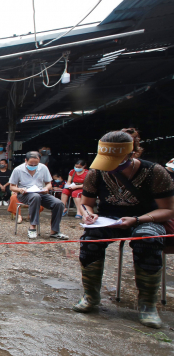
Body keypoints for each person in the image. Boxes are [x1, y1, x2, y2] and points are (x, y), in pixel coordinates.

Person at [75, 130, 174, 329]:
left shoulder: (155, 172)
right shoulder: (97, 173)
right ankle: (91, 296)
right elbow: (86, 203)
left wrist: (137, 219)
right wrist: (88, 213)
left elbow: (168, 209)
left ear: (130, 154)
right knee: (90, 238)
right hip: (109, 220)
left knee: (147, 240)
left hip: (147, 219)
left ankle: (147, 305)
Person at [10, 151, 68, 240]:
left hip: (40, 192)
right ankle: (32, 227)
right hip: (24, 194)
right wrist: (20, 190)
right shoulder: (18, 170)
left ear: (39, 161)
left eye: (35, 164)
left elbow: (49, 184)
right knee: (35, 197)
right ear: (25, 160)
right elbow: (12, 187)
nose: (33, 166)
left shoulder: (43, 168)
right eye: (31, 164)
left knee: (58, 203)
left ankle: (55, 231)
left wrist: (46, 188)